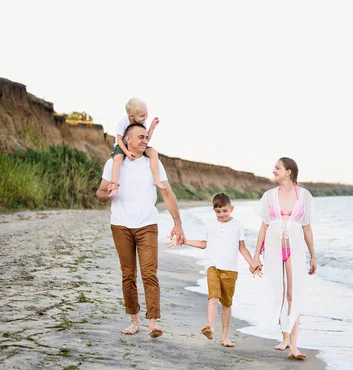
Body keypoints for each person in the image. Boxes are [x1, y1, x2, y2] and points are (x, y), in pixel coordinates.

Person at [96, 123, 185, 337]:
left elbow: (167, 193)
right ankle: (134, 321)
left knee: (149, 274)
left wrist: (178, 223)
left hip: (147, 225)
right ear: (127, 140)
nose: (145, 141)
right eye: (140, 137)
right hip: (120, 225)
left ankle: (152, 322)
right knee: (128, 275)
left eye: (147, 137)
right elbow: (99, 192)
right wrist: (107, 192)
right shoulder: (113, 164)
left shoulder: (153, 163)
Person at [169, 193, 258, 347]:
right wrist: (184, 241)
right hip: (212, 266)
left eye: (225, 211)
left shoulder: (238, 226)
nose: (221, 215)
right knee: (213, 297)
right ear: (214, 211)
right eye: (218, 211)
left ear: (231, 208)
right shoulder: (209, 225)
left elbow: (241, 248)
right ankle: (209, 327)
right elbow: (203, 244)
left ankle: (225, 336)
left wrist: (252, 263)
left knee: (227, 303)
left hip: (230, 269)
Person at [252, 157, 317, 360]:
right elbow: (264, 226)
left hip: (295, 248)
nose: (274, 170)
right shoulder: (269, 196)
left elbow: (306, 227)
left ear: (289, 171)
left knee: (293, 295)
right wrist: (255, 256)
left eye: (277, 168)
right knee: (278, 292)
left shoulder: (304, 196)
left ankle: (294, 346)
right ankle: (285, 337)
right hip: (272, 247)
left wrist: (313, 255)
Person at [108, 97, 164, 197]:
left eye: (146, 114)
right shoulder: (123, 122)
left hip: (137, 146)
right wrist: (126, 152)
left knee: (153, 153)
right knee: (117, 159)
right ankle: (114, 185)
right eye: (142, 115)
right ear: (132, 116)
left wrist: (151, 128)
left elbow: (145, 140)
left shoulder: (143, 123)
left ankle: (156, 179)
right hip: (122, 145)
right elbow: (119, 140)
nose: (146, 117)